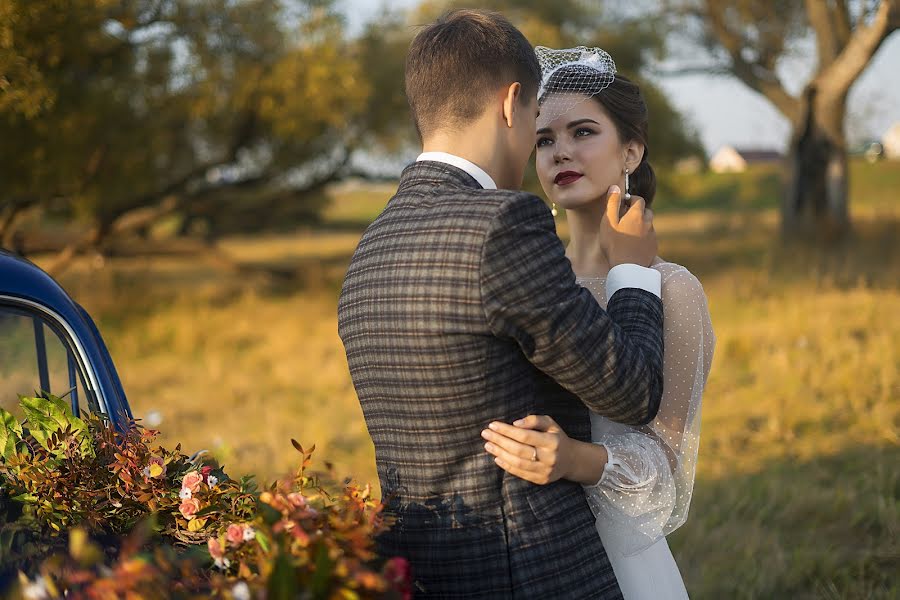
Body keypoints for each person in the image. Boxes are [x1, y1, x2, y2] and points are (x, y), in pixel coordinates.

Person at [337, 11, 665, 599]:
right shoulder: (502, 223)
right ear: (513, 103)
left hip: (418, 575)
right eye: (540, 123)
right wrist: (635, 271)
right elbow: (633, 391)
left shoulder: (370, 245)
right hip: (531, 575)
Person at [481, 46, 716, 599]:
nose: (561, 150)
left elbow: (664, 478)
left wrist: (574, 459)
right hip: (521, 551)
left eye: (583, 132)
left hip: (619, 563)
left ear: (631, 150)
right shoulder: (527, 278)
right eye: (544, 139)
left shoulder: (673, 290)